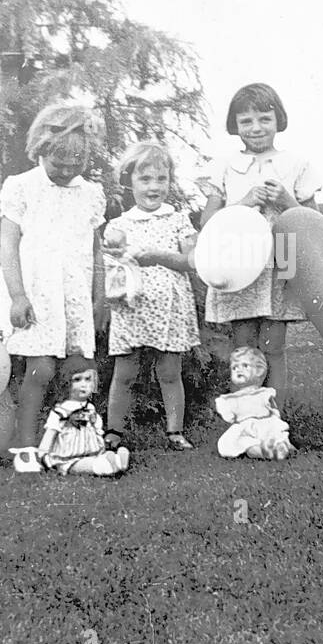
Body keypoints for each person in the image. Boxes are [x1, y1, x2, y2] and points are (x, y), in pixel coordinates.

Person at [199, 82, 321, 408]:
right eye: (246, 121)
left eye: (264, 119)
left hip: (283, 258)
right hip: (240, 263)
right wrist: (244, 201)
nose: (256, 128)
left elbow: (316, 224)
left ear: (278, 119)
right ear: (234, 125)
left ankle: (274, 419)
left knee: (274, 346)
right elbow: (208, 223)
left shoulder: (296, 164)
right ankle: (247, 415)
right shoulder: (224, 166)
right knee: (244, 346)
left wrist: (286, 200)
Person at [0, 103, 108, 450]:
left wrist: (101, 297)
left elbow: (96, 250)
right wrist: (17, 295)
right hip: (36, 293)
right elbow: (8, 248)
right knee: (40, 369)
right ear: (41, 149)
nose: (67, 170)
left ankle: (70, 440)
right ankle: (26, 443)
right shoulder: (21, 187)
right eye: (59, 163)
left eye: (77, 163)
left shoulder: (90, 194)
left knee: (76, 370)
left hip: (73, 293)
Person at [103, 142, 201, 451]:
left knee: (170, 372)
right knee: (125, 372)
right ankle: (113, 432)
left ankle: (175, 432)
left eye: (161, 179)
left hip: (169, 309)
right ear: (129, 180)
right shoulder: (119, 224)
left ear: (170, 181)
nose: (154, 187)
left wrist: (157, 255)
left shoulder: (178, 220)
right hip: (132, 309)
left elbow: (191, 261)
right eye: (145, 179)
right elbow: (110, 265)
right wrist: (117, 255)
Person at [10, 356, 129, 476]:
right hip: (67, 455)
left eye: (87, 379)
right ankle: (105, 466)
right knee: (80, 465)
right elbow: (51, 433)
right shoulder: (61, 412)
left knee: (94, 458)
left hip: (90, 450)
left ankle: (114, 460)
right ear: (67, 384)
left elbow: (96, 431)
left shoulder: (90, 409)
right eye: (77, 380)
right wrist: (43, 454)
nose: (84, 385)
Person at [214, 346, 295, 460]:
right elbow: (230, 417)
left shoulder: (265, 392)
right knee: (242, 443)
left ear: (259, 370)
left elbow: (273, 411)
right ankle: (263, 451)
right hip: (246, 428)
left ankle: (280, 446)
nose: (239, 370)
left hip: (266, 425)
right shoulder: (232, 399)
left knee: (277, 434)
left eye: (245, 366)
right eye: (234, 368)